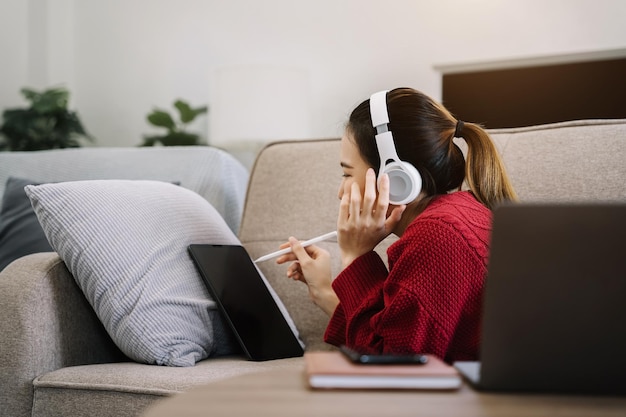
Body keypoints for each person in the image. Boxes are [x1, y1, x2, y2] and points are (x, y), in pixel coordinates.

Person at [276, 87, 517, 363]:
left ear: (396, 176)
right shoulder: (454, 217)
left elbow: (393, 366)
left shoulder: (438, 235)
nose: (341, 192)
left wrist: (356, 257)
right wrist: (324, 292)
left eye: (346, 173)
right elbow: (381, 342)